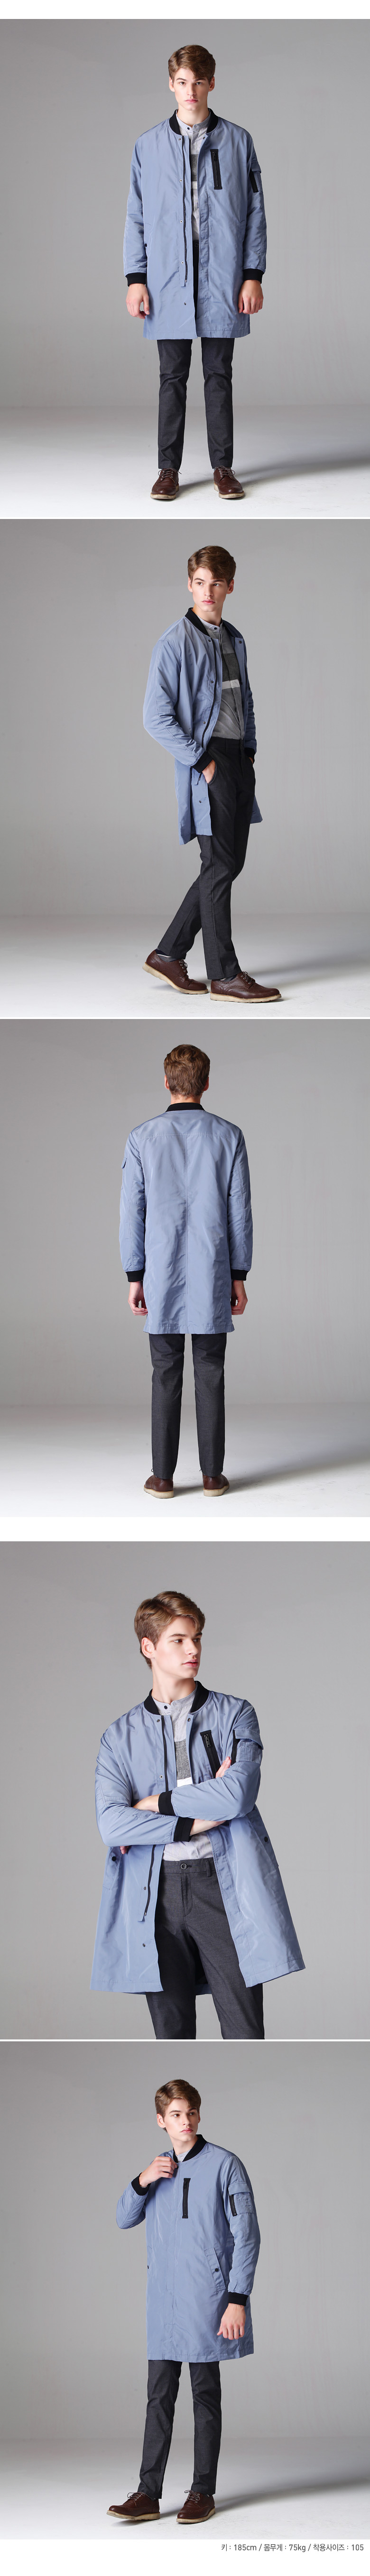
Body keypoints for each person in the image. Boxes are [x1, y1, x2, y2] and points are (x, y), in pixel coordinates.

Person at [91, 1587, 304, 2037]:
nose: (194, 1649)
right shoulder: (119, 1737)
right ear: (149, 1648)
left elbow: (237, 1796)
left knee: (245, 2033)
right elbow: (112, 1825)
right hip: (155, 1895)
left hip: (223, 1887)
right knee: (172, 2037)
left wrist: (152, 1804)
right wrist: (198, 1819)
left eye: (198, 1638)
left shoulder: (235, 1714)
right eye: (179, 1640)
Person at [108, 2074, 261, 2524]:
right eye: (176, 2114)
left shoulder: (225, 2165)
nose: (186, 2121)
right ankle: (147, 2493)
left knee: (204, 2396)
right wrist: (143, 2179)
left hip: (207, 2300)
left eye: (191, 2112)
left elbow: (248, 2236)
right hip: (164, 2304)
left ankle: (202, 2492)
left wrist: (237, 2298)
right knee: (158, 2398)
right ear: (162, 2120)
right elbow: (123, 2219)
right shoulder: (157, 2170)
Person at [124, 42, 267, 501]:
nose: (191, 91)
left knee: (219, 374)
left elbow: (256, 214)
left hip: (222, 275)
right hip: (168, 277)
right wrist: (136, 279)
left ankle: (223, 467)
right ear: (172, 84)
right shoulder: (148, 146)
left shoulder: (238, 141)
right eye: (183, 82)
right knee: (172, 376)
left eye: (199, 82)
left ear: (211, 83)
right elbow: (136, 217)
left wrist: (252, 274)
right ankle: (168, 470)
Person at [143, 546, 281, 1003]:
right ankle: (224, 975)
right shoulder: (174, 642)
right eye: (200, 583)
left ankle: (168, 954)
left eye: (216, 584)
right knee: (219, 865)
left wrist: (250, 749)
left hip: (238, 758)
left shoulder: (234, 638)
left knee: (227, 864)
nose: (208, 592)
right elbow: (155, 717)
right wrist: (201, 761)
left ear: (230, 587)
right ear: (190, 585)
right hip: (210, 760)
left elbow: (246, 699)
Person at [119, 1040, 253, 1499]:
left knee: (165, 1372)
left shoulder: (142, 1137)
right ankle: (213, 1477)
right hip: (214, 1270)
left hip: (160, 1273)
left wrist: (134, 1276)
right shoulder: (229, 1136)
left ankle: (162, 1478)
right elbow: (239, 1212)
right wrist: (240, 1275)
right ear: (207, 1083)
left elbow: (131, 1213)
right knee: (211, 1370)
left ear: (166, 1083)